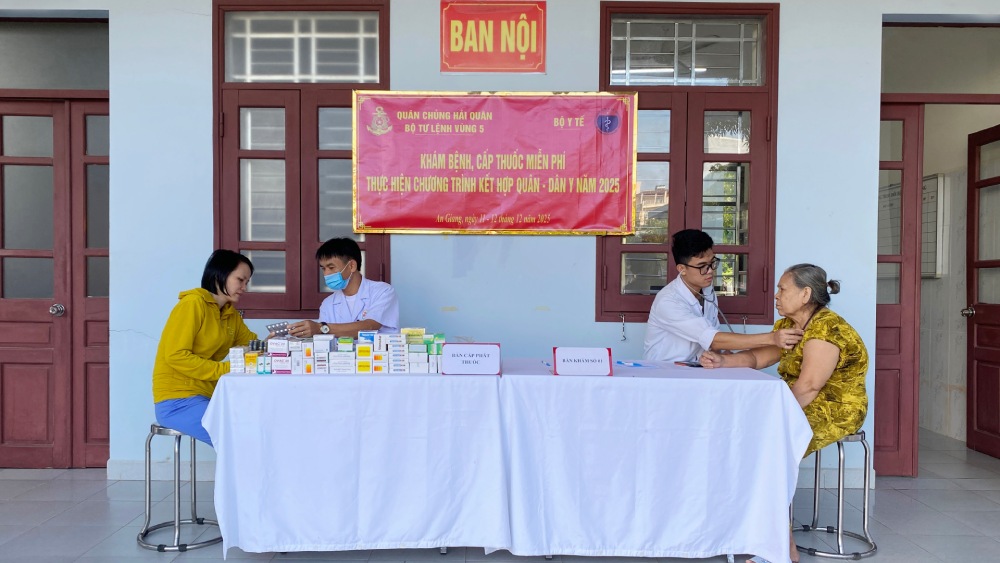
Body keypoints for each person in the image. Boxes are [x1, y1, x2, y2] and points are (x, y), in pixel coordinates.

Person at [700, 264, 869, 563]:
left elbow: (809, 386)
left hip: (836, 409)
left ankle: (780, 548)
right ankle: (760, 536)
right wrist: (721, 361)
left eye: (782, 289)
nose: (776, 296)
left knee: (767, 450)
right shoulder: (789, 326)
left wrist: (771, 420)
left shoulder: (827, 329)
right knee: (743, 439)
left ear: (805, 294)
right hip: (800, 402)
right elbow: (758, 358)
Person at [643, 229, 804, 362]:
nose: (710, 271)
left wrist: (723, 356)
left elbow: (713, 338)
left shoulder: (706, 290)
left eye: (712, 263)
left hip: (696, 368)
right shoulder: (668, 301)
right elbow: (713, 339)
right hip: (666, 372)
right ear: (682, 269)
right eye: (702, 266)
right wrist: (772, 338)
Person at [152, 250, 258, 445]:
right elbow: (176, 355)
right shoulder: (193, 304)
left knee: (255, 424)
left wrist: (279, 341)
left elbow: (254, 345)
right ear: (220, 275)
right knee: (237, 437)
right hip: (176, 401)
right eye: (240, 280)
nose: (244, 287)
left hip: (208, 397)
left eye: (247, 282)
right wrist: (228, 368)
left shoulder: (229, 314)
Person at [288, 237, 399, 338]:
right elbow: (323, 340)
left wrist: (321, 328)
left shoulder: (383, 291)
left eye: (331, 267)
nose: (326, 274)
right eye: (323, 268)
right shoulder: (328, 304)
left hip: (376, 354)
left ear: (351, 266)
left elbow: (370, 326)